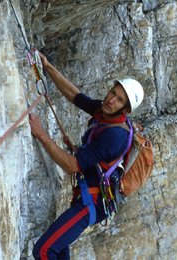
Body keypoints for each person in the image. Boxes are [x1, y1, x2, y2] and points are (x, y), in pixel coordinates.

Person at [29, 52, 144, 260]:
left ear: (125, 109)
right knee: (58, 248)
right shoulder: (105, 112)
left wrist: (40, 134)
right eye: (113, 92)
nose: (111, 99)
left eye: (119, 100)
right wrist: (48, 67)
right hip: (86, 194)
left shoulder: (115, 135)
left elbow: (73, 166)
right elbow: (76, 96)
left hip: (93, 203)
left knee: (45, 250)